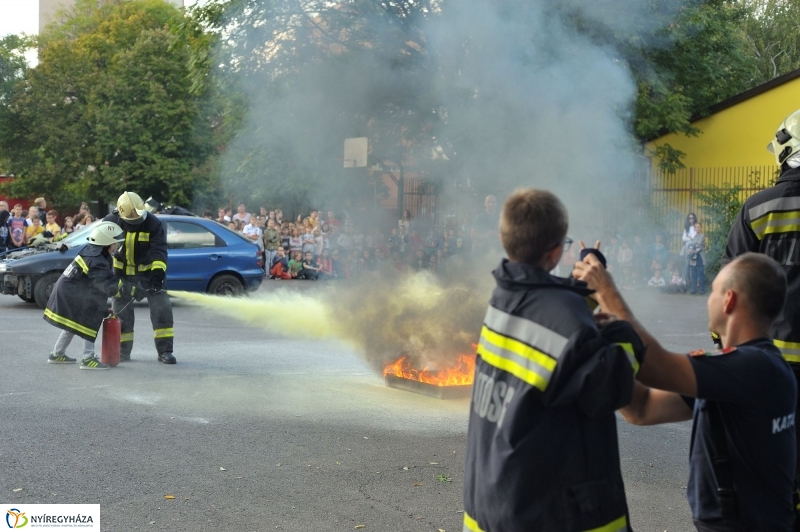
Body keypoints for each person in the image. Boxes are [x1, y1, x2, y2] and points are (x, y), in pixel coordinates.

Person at [463, 188, 645, 531]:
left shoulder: (505, 295)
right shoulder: (566, 325)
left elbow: (550, 310)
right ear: (557, 250)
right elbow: (614, 386)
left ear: (505, 239)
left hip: (493, 505)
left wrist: (587, 284)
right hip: (547, 515)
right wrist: (621, 325)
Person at [575, 252, 797, 531]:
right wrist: (602, 348)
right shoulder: (744, 371)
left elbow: (655, 364)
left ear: (729, 300)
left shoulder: (753, 368)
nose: (709, 300)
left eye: (713, 291)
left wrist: (605, 290)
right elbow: (642, 408)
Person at [723, 109, 800, 505]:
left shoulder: (757, 209)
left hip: (766, 363)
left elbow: (728, 292)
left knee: (769, 459)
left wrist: (727, 350)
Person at [43, 222, 139, 369]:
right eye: (114, 243)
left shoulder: (96, 252)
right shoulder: (97, 260)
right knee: (89, 319)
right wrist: (129, 290)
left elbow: (101, 282)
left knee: (73, 322)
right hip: (72, 292)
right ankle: (88, 359)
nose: (116, 247)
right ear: (106, 242)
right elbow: (105, 285)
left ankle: (57, 353)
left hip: (70, 290)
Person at [104, 192, 176, 364]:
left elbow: (159, 250)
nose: (136, 222)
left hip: (150, 275)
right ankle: (122, 352)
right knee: (122, 313)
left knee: (162, 310)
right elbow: (101, 252)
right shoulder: (111, 222)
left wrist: (157, 276)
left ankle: (165, 351)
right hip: (122, 275)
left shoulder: (153, 223)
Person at [687, 222, 707, 294]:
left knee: (701, 273)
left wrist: (692, 248)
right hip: (693, 256)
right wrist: (691, 248)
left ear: (700, 228)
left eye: (699, 227)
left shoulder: (702, 235)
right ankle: (693, 289)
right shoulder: (694, 236)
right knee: (693, 273)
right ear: (694, 228)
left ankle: (702, 289)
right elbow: (691, 245)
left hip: (699, 256)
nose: (697, 228)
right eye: (696, 227)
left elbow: (697, 244)